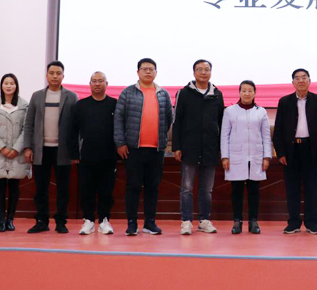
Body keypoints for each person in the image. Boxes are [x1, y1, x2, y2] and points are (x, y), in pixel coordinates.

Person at [114, 58, 173, 236]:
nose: (148, 71)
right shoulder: (128, 93)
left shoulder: (163, 94)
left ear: (156, 72)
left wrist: (162, 140)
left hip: (156, 149)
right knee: (133, 186)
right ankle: (132, 223)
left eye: (151, 69)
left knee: (153, 187)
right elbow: (118, 119)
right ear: (138, 72)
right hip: (133, 149)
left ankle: (150, 223)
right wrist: (121, 143)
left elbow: (169, 118)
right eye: (144, 69)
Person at [23, 61, 78, 234]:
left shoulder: (71, 97)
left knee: (63, 189)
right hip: (41, 150)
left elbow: (76, 127)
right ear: (47, 75)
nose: (55, 76)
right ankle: (42, 221)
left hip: (63, 150)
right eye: (52, 73)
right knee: (41, 188)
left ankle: (61, 221)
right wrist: (28, 147)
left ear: (63, 76)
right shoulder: (37, 96)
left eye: (58, 73)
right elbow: (29, 124)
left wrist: (75, 151)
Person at [272, 68, 317, 234]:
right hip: (291, 150)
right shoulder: (285, 102)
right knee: (292, 188)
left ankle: (311, 222)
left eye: (304, 77)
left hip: (311, 149)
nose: (301, 80)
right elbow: (278, 130)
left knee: (312, 188)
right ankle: (293, 222)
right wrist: (281, 153)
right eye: (297, 78)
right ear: (293, 83)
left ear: (309, 81)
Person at [173, 59, 225, 235]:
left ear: (211, 72)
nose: (203, 72)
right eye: (200, 69)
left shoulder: (217, 94)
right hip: (190, 147)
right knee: (186, 188)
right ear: (194, 72)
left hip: (210, 148)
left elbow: (220, 122)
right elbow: (177, 121)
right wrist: (177, 146)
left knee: (207, 189)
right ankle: (186, 221)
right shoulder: (183, 93)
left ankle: (204, 220)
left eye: (206, 69)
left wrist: (220, 148)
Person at [70, 72, 118, 235]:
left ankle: (104, 220)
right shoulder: (81, 105)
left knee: (106, 191)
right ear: (90, 84)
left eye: (100, 81)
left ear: (107, 84)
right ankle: (88, 220)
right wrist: (74, 154)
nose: (97, 84)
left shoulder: (114, 104)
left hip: (109, 156)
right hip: (86, 156)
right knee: (86, 190)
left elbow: (120, 129)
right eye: (94, 81)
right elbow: (72, 131)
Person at [220, 80, 271, 234]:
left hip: (256, 156)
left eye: (250, 91)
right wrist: (225, 156)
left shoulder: (261, 112)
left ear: (255, 93)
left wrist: (266, 157)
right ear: (239, 92)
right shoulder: (230, 111)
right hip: (236, 156)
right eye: (244, 90)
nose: (247, 93)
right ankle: (237, 221)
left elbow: (266, 135)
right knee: (236, 191)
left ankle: (253, 221)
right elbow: (224, 135)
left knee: (254, 191)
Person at [0, 74, 30, 232]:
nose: (9, 86)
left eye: (12, 83)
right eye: (6, 83)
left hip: (17, 153)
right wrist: (2, 148)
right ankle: (1, 220)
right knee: (0, 187)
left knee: (15, 187)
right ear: (1, 86)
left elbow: (26, 129)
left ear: (16, 86)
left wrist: (16, 148)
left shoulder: (24, 105)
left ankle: (10, 219)